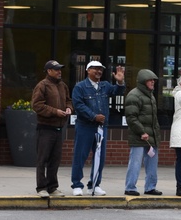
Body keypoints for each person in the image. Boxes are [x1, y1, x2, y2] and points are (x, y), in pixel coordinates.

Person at [70, 60, 125, 196]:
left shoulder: (105, 85)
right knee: (80, 155)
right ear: (88, 70)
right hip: (85, 126)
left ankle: (95, 185)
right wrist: (94, 116)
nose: (99, 71)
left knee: (100, 157)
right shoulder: (80, 87)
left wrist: (119, 82)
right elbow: (78, 105)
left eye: (100, 69)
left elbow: (117, 92)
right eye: (95, 69)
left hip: (101, 127)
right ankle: (77, 184)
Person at [31, 59, 73, 197]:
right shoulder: (42, 85)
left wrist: (68, 108)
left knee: (55, 159)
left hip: (59, 127)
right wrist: (55, 111)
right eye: (56, 69)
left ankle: (52, 187)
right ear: (49, 71)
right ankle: (41, 187)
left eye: (60, 69)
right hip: (45, 127)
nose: (59, 71)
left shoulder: (63, 86)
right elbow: (37, 105)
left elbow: (68, 100)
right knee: (43, 159)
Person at [123, 68, 162, 196]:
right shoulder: (134, 95)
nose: (152, 82)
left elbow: (154, 118)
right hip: (139, 136)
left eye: (153, 81)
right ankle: (130, 187)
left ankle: (150, 187)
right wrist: (141, 132)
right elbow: (131, 117)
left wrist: (155, 135)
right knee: (135, 162)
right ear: (142, 81)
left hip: (151, 136)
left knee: (152, 163)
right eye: (150, 80)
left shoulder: (150, 96)